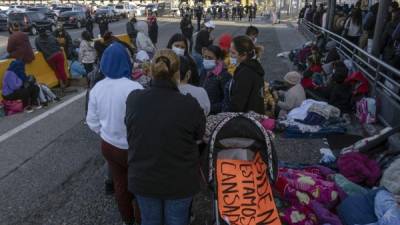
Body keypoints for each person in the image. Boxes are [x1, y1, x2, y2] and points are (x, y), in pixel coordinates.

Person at [125, 49, 205, 225]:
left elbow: (130, 130)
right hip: (179, 181)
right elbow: (199, 136)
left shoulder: (134, 99)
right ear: (177, 74)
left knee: (150, 221)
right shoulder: (189, 104)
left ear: (151, 71)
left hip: (143, 178)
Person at [86, 42, 143, 225]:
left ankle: (128, 220)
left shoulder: (97, 88)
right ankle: (141, 218)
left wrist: (107, 132)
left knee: (120, 185)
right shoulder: (134, 88)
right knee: (140, 186)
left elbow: (92, 121)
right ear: (126, 62)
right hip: (132, 148)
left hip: (109, 145)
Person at [228, 36, 265, 114]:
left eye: (233, 53)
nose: (230, 55)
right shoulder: (254, 67)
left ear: (244, 55)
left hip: (245, 120)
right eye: (230, 51)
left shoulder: (245, 73)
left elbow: (237, 104)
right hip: (252, 116)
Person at [200, 45, 231, 114]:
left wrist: (210, 107)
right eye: (205, 57)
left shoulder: (224, 75)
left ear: (218, 59)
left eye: (210, 58)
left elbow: (227, 100)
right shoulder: (204, 71)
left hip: (214, 114)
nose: (206, 60)